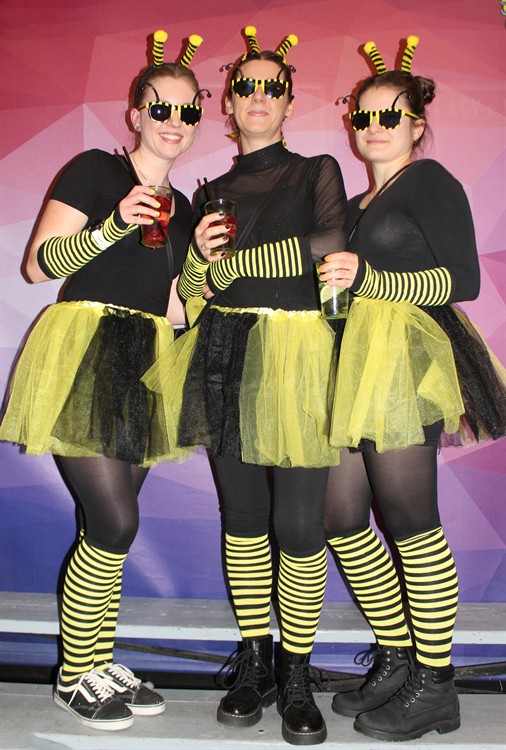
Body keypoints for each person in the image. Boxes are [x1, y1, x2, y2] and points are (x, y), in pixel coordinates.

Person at [143, 25, 346, 746]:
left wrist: (239, 263)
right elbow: (195, 293)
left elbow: (331, 243)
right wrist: (202, 262)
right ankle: (255, 662)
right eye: (245, 86)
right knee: (244, 519)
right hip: (224, 352)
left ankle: (297, 672)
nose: (257, 95)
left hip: (297, 354)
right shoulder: (210, 191)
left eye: (272, 86)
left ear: (288, 101)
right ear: (227, 104)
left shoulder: (317, 168)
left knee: (300, 526)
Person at [0, 29, 206, 731]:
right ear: (135, 113)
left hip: (147, 358)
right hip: (85, 347)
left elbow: (174, 305)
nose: (174, 121)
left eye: (188, 110)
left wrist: (210, 273)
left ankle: (96, 660)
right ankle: (73, 676)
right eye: (161, 107)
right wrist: (113, 224)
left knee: (105, 527)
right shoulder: (95, 169)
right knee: (116, 522)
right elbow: (38, 266)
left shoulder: (185, 208)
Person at [319, 36, 506, 742]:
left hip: (404, 360)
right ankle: (399, 658)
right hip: (354, 366)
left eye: (389, 116)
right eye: (363, 116)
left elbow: (463, 281)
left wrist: (368, 278)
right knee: (341, 516)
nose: (374, 128)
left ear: (416, 124)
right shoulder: (360, 201)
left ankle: (436, 685)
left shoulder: (430, 182)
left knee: (411, 521)